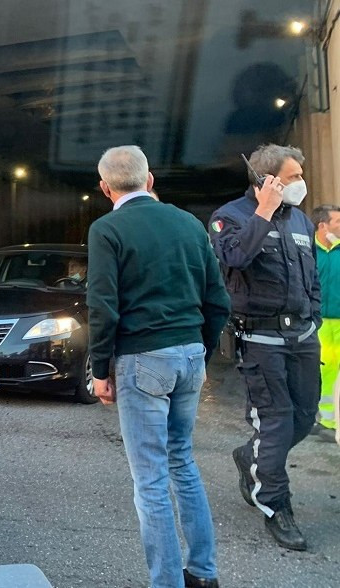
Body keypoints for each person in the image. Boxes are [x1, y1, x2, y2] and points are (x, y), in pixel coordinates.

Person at [88, 146, 230, 588]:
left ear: (105, 188)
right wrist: (198, 352)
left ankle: (166, 582)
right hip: (189, 354)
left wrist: (98, 370)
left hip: (142, 360)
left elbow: (103, 306)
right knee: (182, 462)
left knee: (150, 480)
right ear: (150, 181)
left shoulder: (107, 229)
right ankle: (203, 573)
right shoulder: (189, 224)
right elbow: (218, 301)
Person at [209, 144, 321, 551]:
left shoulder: (302, 222)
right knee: (276, 422)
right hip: (260, 340)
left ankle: (251, 456)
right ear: (266, 180)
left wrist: (314, 317)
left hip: (303, 338)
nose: (300, 184)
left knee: (305, 417)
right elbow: (235, 257)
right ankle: (275, 505)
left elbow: (312, 280)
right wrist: (264, 211)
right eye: (293, 177)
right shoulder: (230, 218)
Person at [311, 204, 340, 441]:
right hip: (318, 323)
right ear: (323, 226)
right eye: (338, 222)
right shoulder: (307, 250)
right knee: (320, 371)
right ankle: (324, 420)